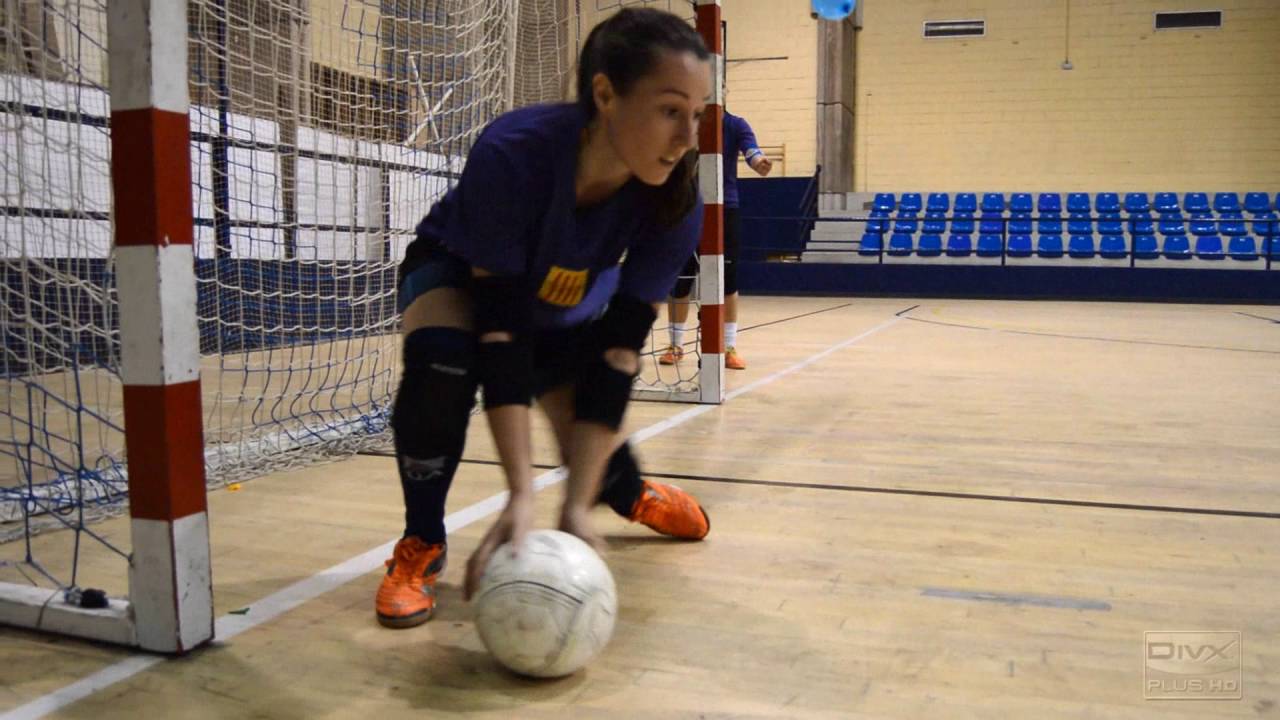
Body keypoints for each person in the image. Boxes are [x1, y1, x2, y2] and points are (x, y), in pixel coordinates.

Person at [376, 8, 714, 630]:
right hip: (458, 267)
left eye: (697, 114)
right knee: (443, 364)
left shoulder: (674, 198)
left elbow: (618, 354)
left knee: (590, 448)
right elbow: (502, 333)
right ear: (606, 94)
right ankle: (421, 543)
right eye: (671, 110)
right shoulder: (515, 151)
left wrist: (576, 506)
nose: (688, 136)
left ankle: (626, 492)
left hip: (557, 293)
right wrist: (522, 494)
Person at [659, 103, 772, 370]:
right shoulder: (686, 122)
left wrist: (759, 162)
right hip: (686, 209)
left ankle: (729, 346)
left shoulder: (736, 124)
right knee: (681, 279)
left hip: (724, 209)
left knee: (727, 280)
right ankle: (675, 344)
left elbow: (752, 150)